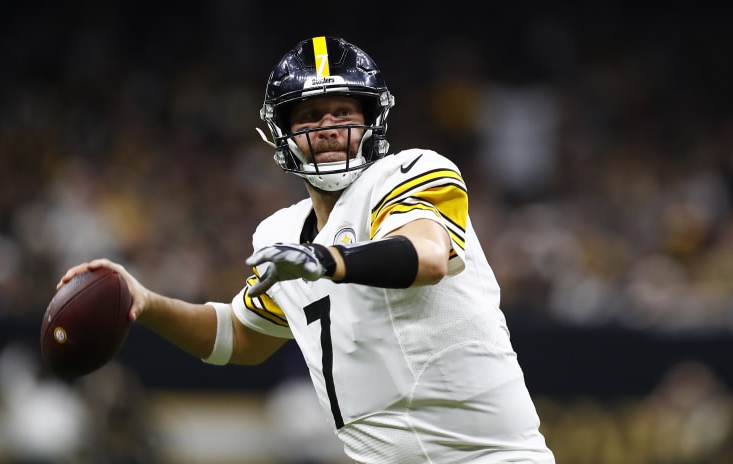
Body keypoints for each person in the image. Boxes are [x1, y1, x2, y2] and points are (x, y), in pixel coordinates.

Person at [59, 36, 555, 463]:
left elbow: (425, 256)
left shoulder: (407, 173)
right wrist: (144, 301)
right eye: (311, 116)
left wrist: (328, 261)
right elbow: (239, 336)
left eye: (344, 111)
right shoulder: (280, 234)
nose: (329, 126)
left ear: (372, 119)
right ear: (284, 133)